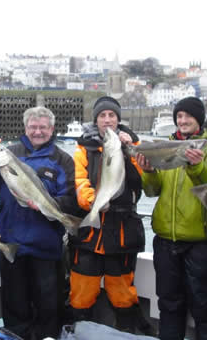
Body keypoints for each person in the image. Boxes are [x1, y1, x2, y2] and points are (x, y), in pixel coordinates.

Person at [136, 96, 207, 340]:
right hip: (165, 240)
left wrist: (196, 166)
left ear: (198, 119)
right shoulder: (164, 148)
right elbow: (152, 191)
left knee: (205, 308)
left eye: (188, 116)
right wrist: (148, 171)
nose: (183, 120)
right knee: (169, 305)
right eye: (179, 116)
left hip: (201, 242)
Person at [0, 106, 77, 340]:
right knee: (14, 308)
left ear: (52, 129)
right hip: (11, 243)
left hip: (46, 246)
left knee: (48, 309)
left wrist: (49, 203)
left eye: (42, 127)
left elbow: (71, 199)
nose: (37, 132)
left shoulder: (62, 159)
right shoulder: (11, 154)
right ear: (25, 128)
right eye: (33, 127)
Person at [69, 96, 156, 336]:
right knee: (82, 291)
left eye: (111, 115)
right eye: (102, 116)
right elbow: (79, 180)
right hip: (89, 234)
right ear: (95, 120)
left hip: (122, 232)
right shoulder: (82, 148)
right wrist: (92, 202)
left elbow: (146, 181)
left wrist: (131, 149)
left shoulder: (134, 144)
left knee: (122, 292)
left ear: (118, 119)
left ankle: (127, 331)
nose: (107, 120)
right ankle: (78, 330)